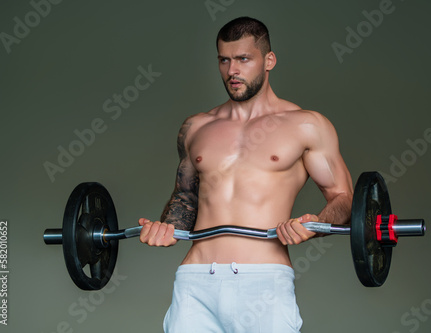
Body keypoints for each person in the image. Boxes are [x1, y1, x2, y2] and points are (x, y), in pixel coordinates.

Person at [138, 16, 353, 332]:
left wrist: (315, 225)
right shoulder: (196, 127)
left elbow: (344, 198)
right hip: (196, 281)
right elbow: (185, 199)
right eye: (224, 60)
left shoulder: (307, 125)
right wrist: (165, 228)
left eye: (243, 59)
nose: (232, 71)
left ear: (269, 60)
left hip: (264, 281)